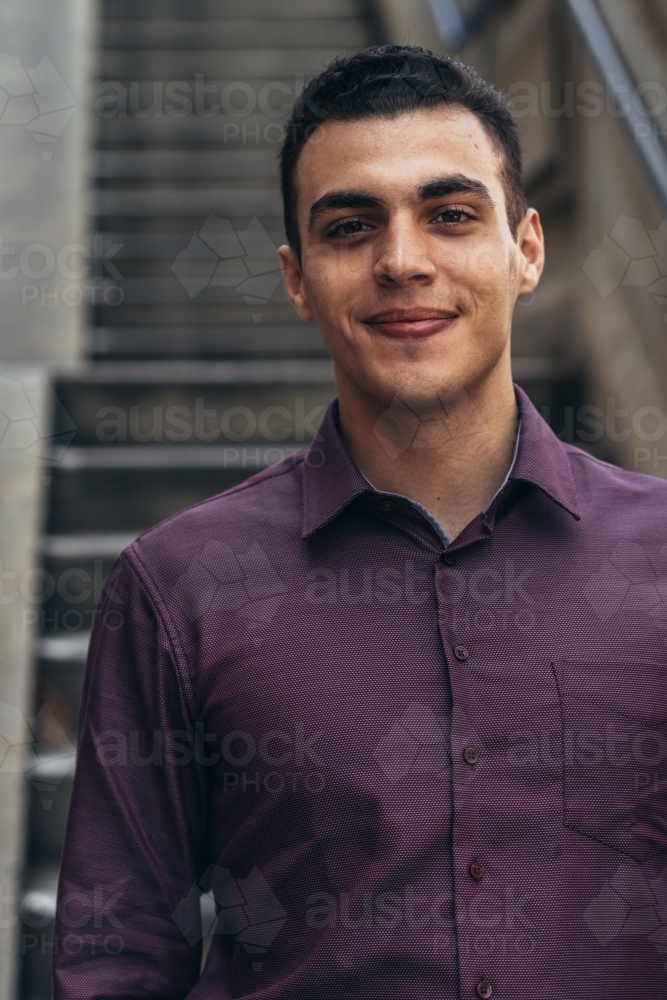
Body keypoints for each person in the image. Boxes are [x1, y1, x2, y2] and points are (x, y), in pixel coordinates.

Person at [54, 46, 667, 999]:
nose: (402, 260)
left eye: (451, 215)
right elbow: (117, 958)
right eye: (351, 227)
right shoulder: (179, 590)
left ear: (528, 249)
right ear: (298, 280)